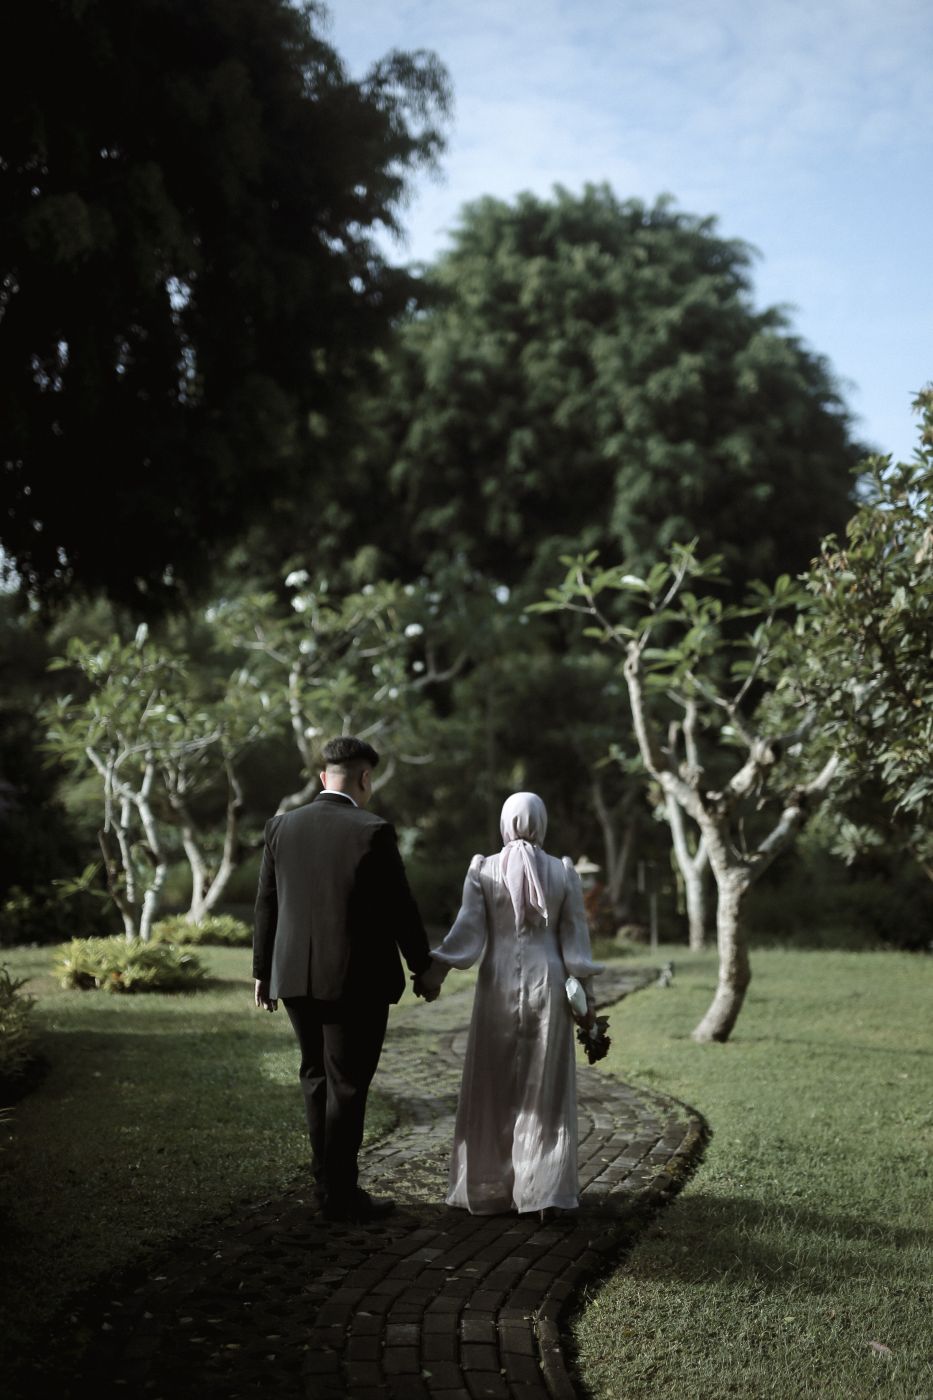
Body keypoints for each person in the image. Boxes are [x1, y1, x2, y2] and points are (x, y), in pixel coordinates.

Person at [253, 735, 436, 1223]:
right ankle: (340, 1195)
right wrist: (423, 967)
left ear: (322, 777)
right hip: (354, 982)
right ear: (365, 779)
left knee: (315, 1076)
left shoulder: (280, 826)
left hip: (292, 976)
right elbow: (401, 909)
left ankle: (327, 1186)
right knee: (347, 1085)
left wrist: (261, 971)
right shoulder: (372, 830)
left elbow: (267, 902)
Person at [414, 791, 603, 1216]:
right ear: (542, 822)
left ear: (505, 822)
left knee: (492, 1084)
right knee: (545, 1089)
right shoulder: (563, 872)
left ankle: (490, 1188)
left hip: (496, 983)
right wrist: (587, 1003)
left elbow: (466, 935)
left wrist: (433, 973)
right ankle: (545, 1192)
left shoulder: (484, 869)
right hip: (549, 983)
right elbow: (576, 946)